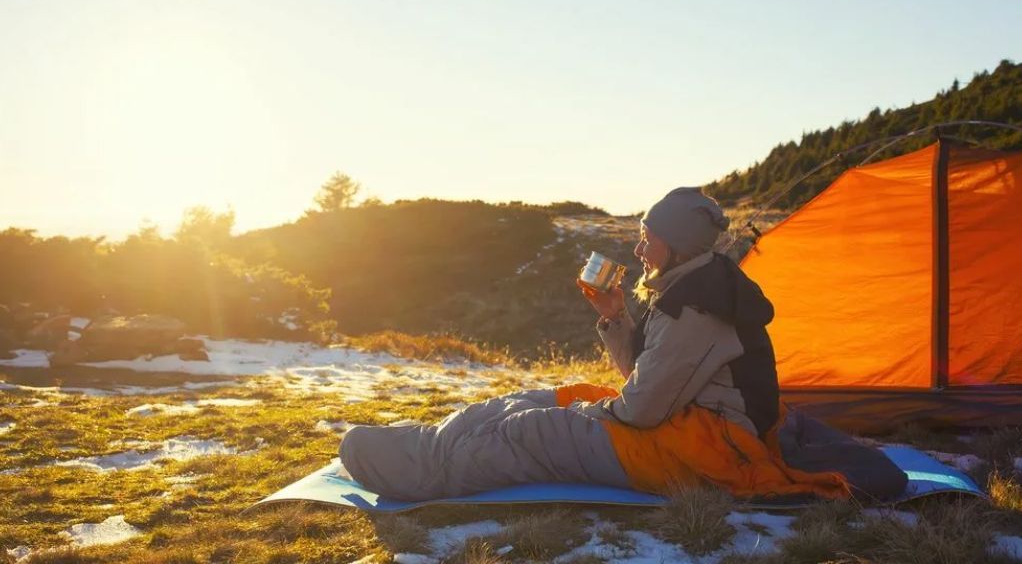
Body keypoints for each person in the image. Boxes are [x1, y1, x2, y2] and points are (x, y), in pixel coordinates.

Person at [339, 188, 905, 502]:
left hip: (707, 445)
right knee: (540, 398)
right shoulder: (690, 283)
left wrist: (593, 410)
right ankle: (431, 442)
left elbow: (640, 408)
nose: (638, 247)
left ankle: (426, 475)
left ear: (677, 245)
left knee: (531, 430)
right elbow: (650, 373)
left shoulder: (696, 307)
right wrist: (617, 318)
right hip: (687, 420)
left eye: (647, 237)